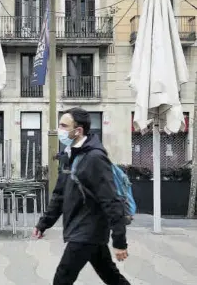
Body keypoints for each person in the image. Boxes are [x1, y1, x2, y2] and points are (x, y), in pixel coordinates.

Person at [33, 107, 130, 285]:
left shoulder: (95, 158)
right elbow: (59, 195)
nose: (59, 130)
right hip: (84, 229)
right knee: (110, 275)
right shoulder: (70, 155)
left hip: (87, 229)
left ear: (78, 131)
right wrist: (44, 223)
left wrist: (119, 240)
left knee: (62, 278)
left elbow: (111, 200)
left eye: (64, 126)